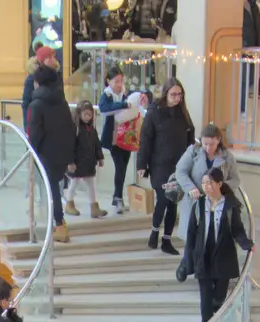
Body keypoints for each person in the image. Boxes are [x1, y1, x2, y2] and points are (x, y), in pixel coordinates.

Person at [178, 165, 254, 322]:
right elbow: (191, 235)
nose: (206, 186)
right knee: (205, 302)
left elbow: (237, 230)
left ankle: (214, 314)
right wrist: (188, 260)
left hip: (223, 258)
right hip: (203, 259)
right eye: (204, 183)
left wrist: (246, 244)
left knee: (219, 297)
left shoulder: (230, 207)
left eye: (210, 183)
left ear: (219, 184)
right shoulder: (198, 206)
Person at [136, 78, 194, 256]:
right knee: (163, 199)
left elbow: (190, 135)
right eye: (174, 94)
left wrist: (190, 160)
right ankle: (155, 231)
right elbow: (146, 138)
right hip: (160, 164)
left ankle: (167, 240)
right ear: (166, 94)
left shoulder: (182, 114)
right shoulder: (155, 112)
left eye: (180, 95)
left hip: (178, 166)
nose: (177, 98)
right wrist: (141, 164)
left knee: (173, 202)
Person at [26, 63, 76, 243]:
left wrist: (31, 151)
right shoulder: (61, 101)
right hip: (61, 151)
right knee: (55, 186)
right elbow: (70, 127)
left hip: (44, 154)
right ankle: (57, 223)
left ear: (37, 83)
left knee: (50, 188)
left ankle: (58, 223)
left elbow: (34, 133)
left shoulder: (36, 105)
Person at [98, 71, 141, 214]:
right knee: (120, 167)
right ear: (108, 81)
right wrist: (123, 104)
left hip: (127, 136)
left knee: (124, 165)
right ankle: (118, 197)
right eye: (116, 81)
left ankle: (117, 197)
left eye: (121, 81)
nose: (119, 84)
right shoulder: (107, 95)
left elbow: (138, 100)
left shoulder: (125, 93)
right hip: (114, 137)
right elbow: (105, 109)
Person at [173, 122, 241, 208]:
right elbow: (180, 171)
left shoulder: (227, 157)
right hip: (195, 201)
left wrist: (219, 188)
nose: (208, 148)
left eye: (212, 144)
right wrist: (191, 188)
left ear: (218, 140)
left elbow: (235, 180)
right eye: (205, 144)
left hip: (217, 203)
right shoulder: (193, 151)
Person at [64, 100, 106, 218]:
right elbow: (70, 146)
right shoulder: (75, 129)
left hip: (89, 163)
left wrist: (100, 157)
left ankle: (94, 206)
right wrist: (71, 162)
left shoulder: (91, 129)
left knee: (91, 185)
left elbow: (96, 144)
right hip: (78, 163)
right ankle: (69, 203)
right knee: (74, 183)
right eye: (85, 114)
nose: (87, 117)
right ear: (79, 114)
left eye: (89, 114)